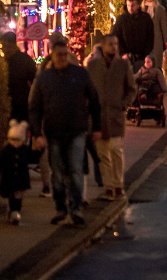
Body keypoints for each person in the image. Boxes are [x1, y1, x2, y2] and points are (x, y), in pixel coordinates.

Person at [29, 35, 102, 226]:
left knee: (76, 170)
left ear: (68, 54)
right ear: (52, 56)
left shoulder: (80, 74)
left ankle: (75, 208)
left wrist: (97, 127)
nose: (61, 58)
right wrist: (37, 134)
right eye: (58, 55)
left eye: (64, 54)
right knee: (58, 173)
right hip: (54, 133)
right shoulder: (45, 78)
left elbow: (94, 100)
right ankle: (61, 207)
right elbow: (35, 107)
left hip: (77, 130)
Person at [84, 35, 133, 200]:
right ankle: (108, 187)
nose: (113, 47)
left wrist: (124, 104)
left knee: (115, 148)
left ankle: (118, 184)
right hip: (98, 118)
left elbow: (131, 88)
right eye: (110, 44)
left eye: (115, 44)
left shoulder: (123, 65)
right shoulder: (93, 66)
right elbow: (87, 90)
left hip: (116, 115)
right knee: (102, 154)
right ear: (103, 46)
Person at [0, 122, 33, 225]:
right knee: (12, 195)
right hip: (9, 177)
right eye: (13, 140)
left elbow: (32, 156)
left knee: (18, 195)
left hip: (21, 177)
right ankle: (13, 211)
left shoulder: (24, 150)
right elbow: (0, 161)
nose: (15, 143)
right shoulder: (6, 150)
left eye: (18, 140)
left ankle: (16, 212)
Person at [111, 0, 156, 72]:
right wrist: (123, 53)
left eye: (133, 5)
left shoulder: (145, 18)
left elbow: (150, 37)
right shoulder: (121, 20)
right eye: (128, 5)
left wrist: (146, 53)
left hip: (142, 56)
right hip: (125, 57)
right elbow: (116, 37)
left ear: (138, 5)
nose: (130, 8)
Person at [2, 33, 36, 125]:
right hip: (19, 105)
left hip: (18, 106)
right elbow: (35, 81)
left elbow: (35, 82)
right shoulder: (26, 60)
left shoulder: (2, 61)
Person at [143, 0, 167, 66]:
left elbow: (164, 25)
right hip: (144, 38)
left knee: (157, 60)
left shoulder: (160, 9)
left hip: (157, 38)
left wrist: (166, 39)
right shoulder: (142, 9)